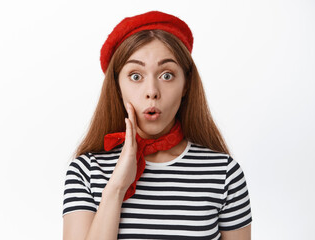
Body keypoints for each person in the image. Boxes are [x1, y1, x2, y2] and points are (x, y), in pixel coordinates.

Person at [62, 11, 252, 240]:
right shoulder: (86, 171)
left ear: (186, 85)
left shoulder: (224, 173)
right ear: (117, 86)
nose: (152, 91)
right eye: (135, 76)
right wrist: (116, 188)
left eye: (167, 75)